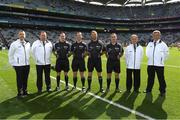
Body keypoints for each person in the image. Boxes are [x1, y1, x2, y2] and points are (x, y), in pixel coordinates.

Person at [144, 30, 169, 96]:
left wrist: (161, 60)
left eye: (157, 35)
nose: (155, 36)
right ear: (152, 36)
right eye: (154, 35)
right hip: (150, 64)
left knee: (161, 78)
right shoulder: (150, 43)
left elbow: (167, 54)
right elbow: (147, 52)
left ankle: (162, 91)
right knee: (150, 78)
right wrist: (150, 58)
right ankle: (148, 89)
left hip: (159, 65)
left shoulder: (163, 44)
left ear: (159, 36)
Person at [8, 31, 31, 97]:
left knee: (25, 78)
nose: (22, 35)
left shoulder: (27, 43)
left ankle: (25, 91)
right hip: (18, 65)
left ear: (25, 35)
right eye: (20, 34)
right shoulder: (14, 44)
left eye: (23, 34)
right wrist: (13, 63)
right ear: (18, 35)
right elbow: (10, 54)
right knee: (19, 79)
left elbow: (29, 53)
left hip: (26, 64)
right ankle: (20, 92)